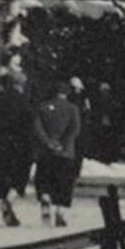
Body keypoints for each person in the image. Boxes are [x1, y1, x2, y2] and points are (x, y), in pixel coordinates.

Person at [0, 67, 35, 228]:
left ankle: (3, 203)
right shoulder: (23, 100)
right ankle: (10, 198)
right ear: (19, 84)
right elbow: (29, 123)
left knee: (1, 175)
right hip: (19, 144)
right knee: (19, 175)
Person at [32, 76, 84, 227]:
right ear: (66, 93)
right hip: (65, 153)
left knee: (44, 179)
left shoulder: (42, 107)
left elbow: (37, 127)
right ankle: (60, 212)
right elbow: (75, 129)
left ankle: (45, 197)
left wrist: (48, 142)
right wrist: (63, 144)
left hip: (45, 152)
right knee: (64, 183)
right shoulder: (72, 108)